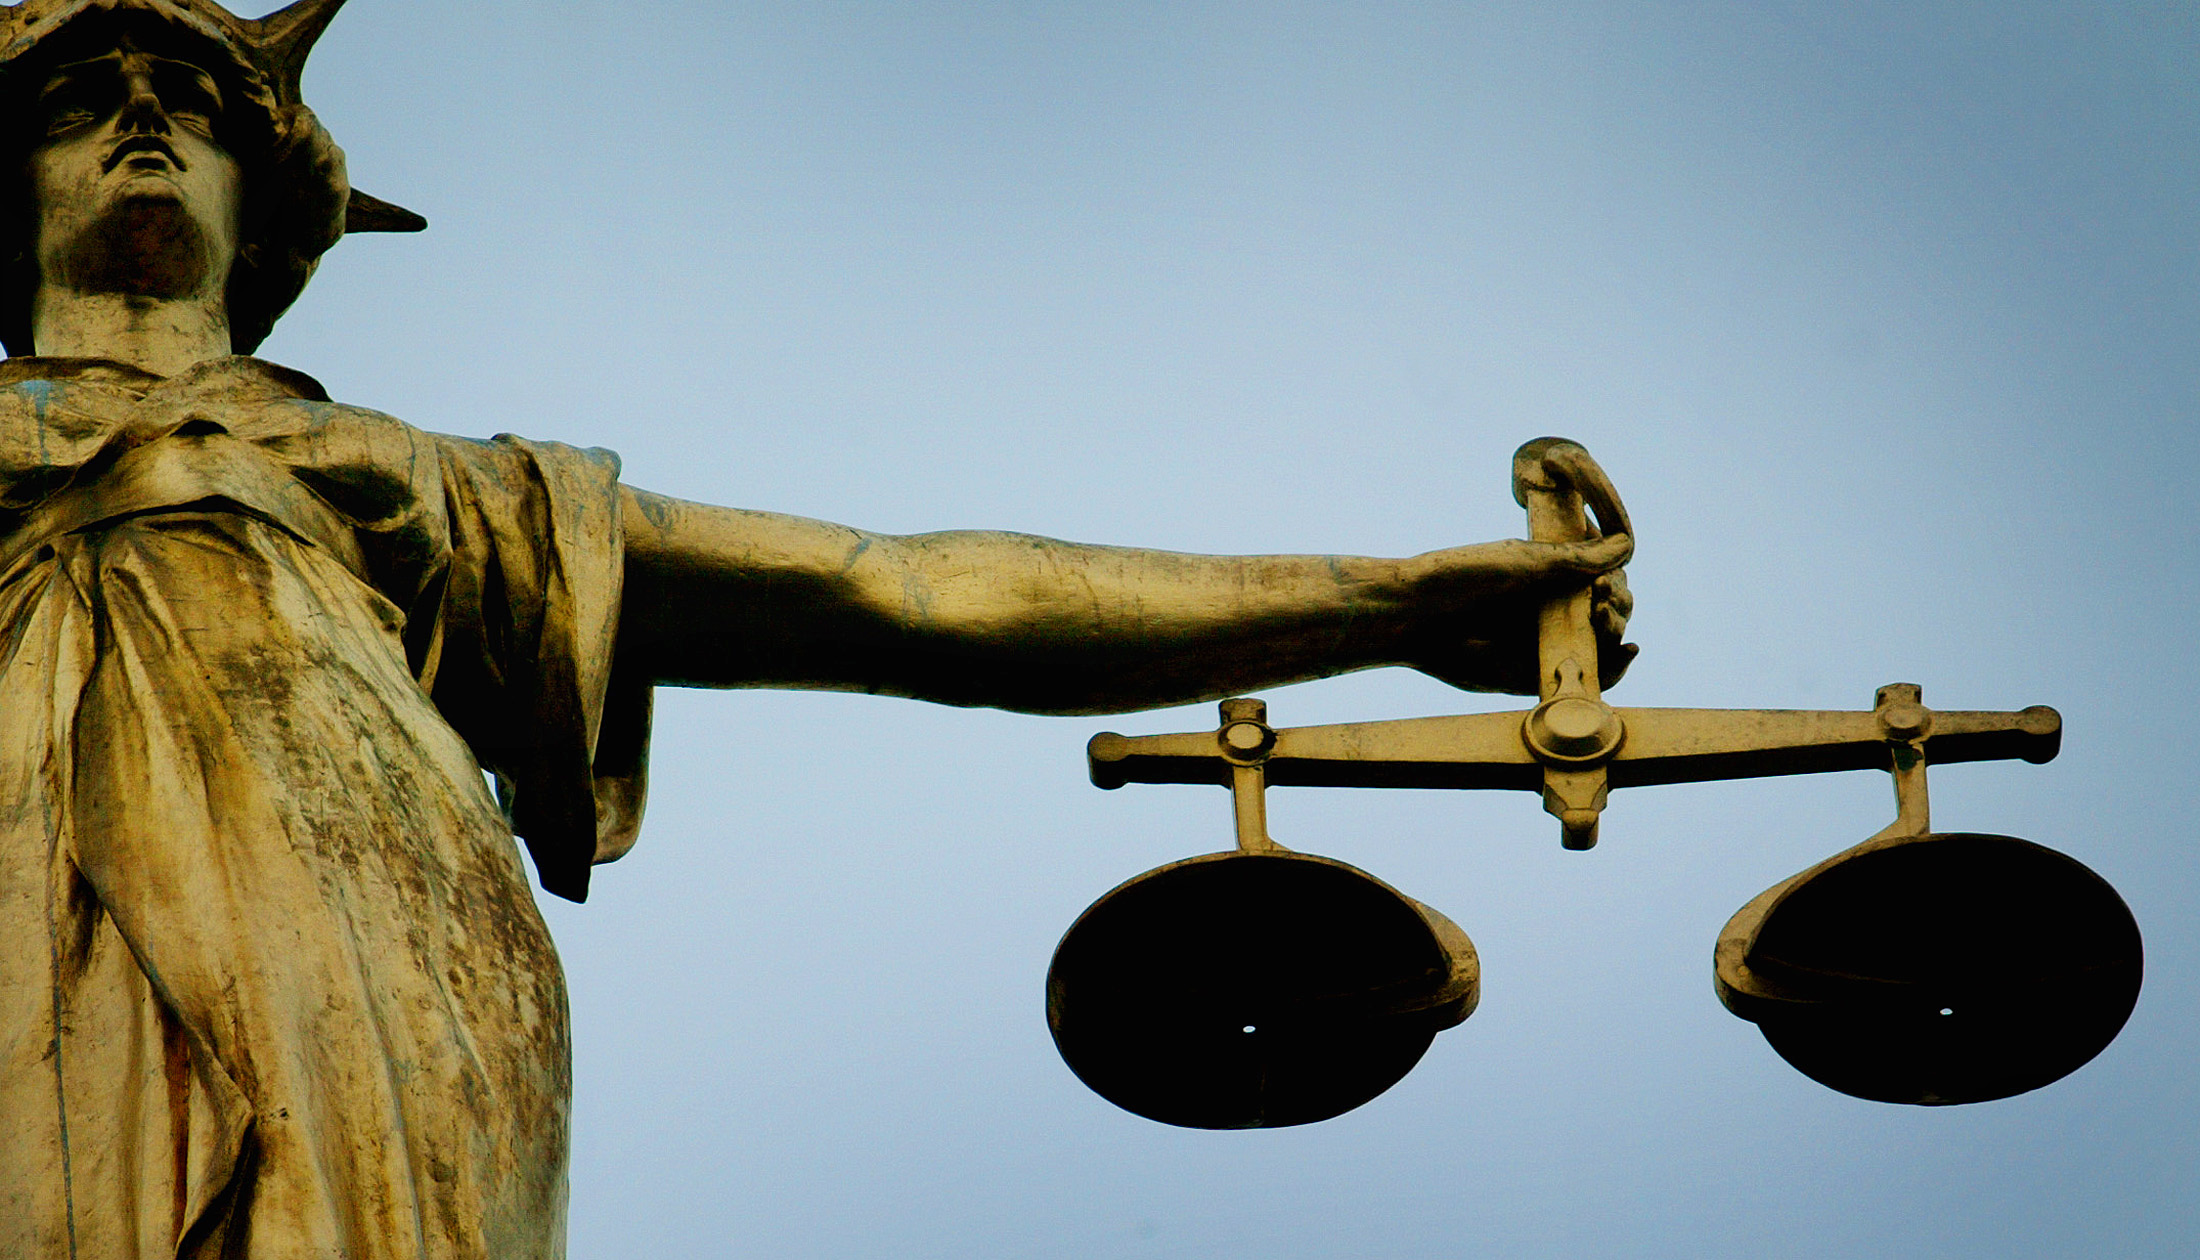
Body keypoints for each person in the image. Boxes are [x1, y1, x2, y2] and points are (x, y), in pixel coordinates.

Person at [0, 1, 1632, 1256]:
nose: (143, 126)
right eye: (84, 104)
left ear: (264, 192)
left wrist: (1398, 604)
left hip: (365, 951)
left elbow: (908, 590)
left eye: (199, 108)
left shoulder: (410, 488)